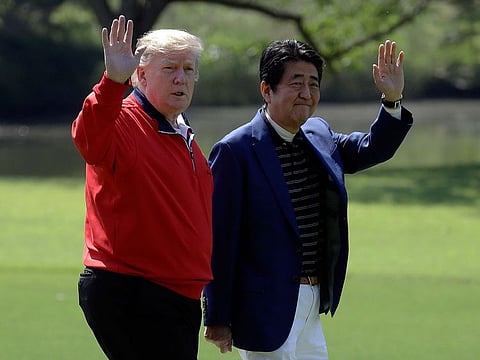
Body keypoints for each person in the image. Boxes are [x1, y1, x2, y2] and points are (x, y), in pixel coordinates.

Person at [202, 39, 413, 359]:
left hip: (313, 299)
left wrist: (392, 100)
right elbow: (219, 240)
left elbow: (373, 148)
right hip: (265, 307)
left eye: (313, 84)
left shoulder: (319, 135)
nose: (307, 93)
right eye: (296, 83)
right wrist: (217, 316)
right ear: (267, 90)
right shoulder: (236, 150)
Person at [72, 15, 213, 360]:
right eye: (170, 69)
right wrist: (111, 82)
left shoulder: (180, 130)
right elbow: (87, 138)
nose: (181, 78)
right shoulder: (123, 117)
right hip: (133, 288)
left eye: (189, 69)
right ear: (142, 74)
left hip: (177, 292)